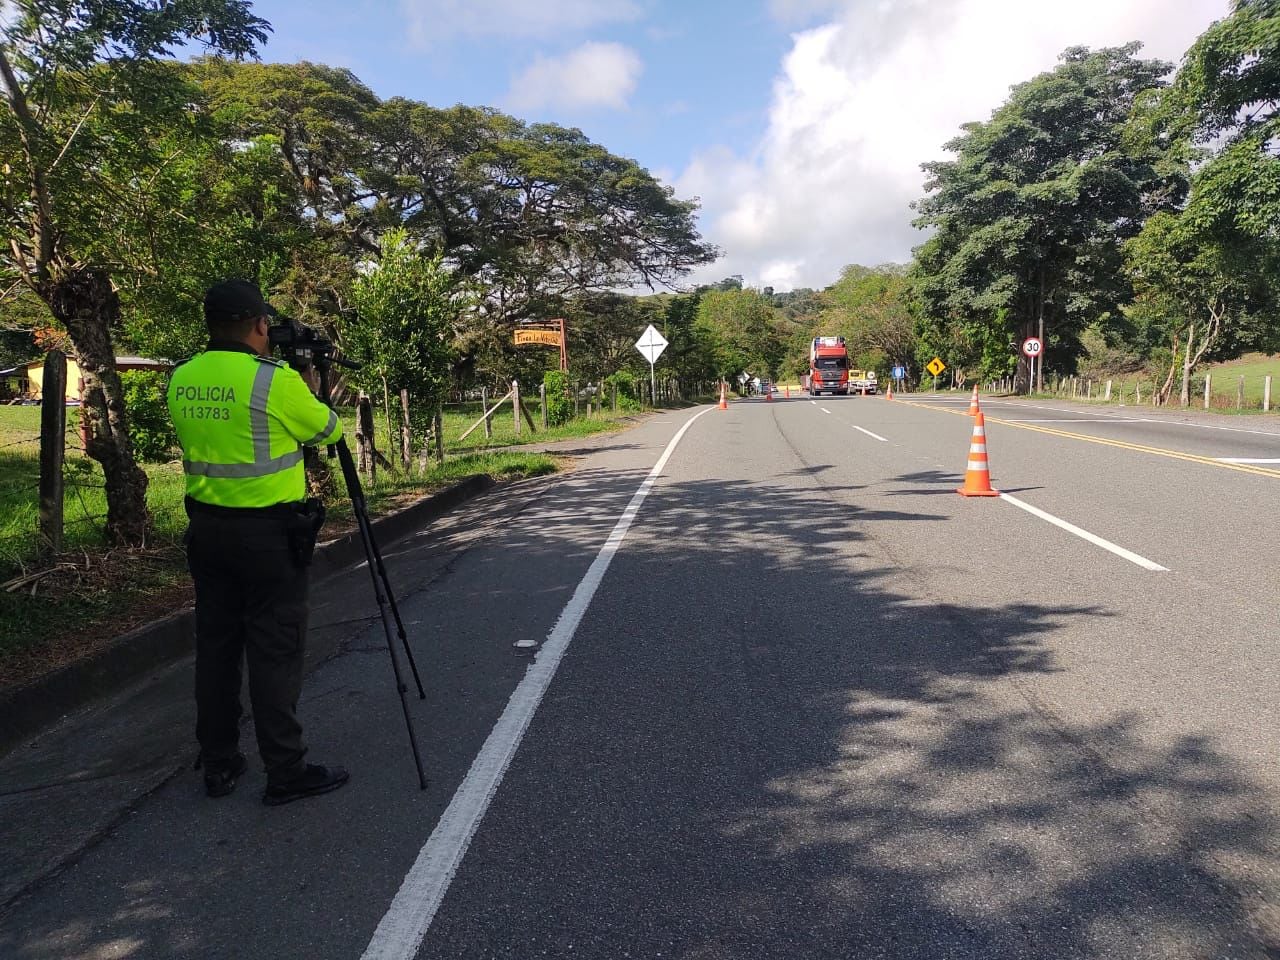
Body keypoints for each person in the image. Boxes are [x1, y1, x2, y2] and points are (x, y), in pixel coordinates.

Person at [167, 279, 349, 805]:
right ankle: (285, 769)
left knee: (216, 648)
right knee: (274, 649)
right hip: (269, 536)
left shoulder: (183, 376)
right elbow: (328, 431)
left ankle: (219, 761)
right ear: (259, 324)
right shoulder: (274, 380)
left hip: (207, 530)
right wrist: (309, 380)